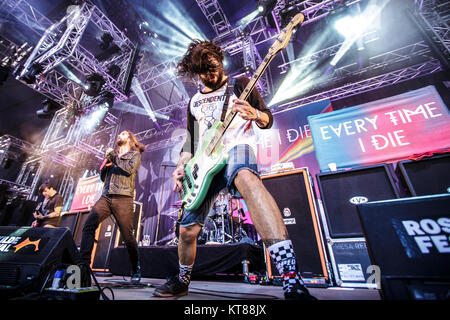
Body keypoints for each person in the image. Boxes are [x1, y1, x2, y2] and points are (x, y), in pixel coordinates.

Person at [153, 40, 316, 300]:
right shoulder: (194, 101)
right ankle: (182, 281)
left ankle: (291, 278)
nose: (211, 75)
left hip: (236, 148)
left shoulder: (240, 84)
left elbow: (267, 118)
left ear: (220, 59)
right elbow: (191, 142)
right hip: (204, 164)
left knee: (248, 180)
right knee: (187, 231)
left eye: (213, 67)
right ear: (196, 74)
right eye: (204, 72)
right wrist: (181, 166)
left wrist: (254, 114)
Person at [78, 130, 145, 284]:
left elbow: (129, 170)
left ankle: (135, 268)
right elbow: (103, 179)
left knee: (128, 237)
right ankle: (83, 267)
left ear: (129, 138)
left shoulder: (134, 155)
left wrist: (114, 158)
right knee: (89, 226)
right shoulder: (113, 156)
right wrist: (105, 167)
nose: (118, 136)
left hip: (124, 198)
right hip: (106, 196)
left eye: (122, 134)